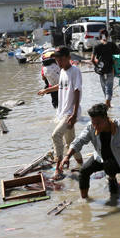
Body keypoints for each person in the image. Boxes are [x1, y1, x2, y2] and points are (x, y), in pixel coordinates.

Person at [37, 46, 84, 179]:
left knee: (56, 135)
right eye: (56, 60)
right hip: (63, 111)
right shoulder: (62, 71)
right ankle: (83, 165)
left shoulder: (75, 71)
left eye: (61, 60)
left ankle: (58, 168)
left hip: (70, 112)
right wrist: (45, 90)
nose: (58, 63)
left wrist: (74, 114)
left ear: (69, 58)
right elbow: (61, 86)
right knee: (71, 143)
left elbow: (77, 91)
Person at [91, 29, 120, 109]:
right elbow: (119, 55)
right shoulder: (112, 44)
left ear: (99, 36)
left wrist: (97, 66)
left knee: (104, 87)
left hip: (101, 70)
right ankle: (108, 102)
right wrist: (115, 62)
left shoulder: (96, 45)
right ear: (107, 36)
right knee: (109, 87)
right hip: (110, 69)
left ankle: (108, 103)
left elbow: (92, 59)